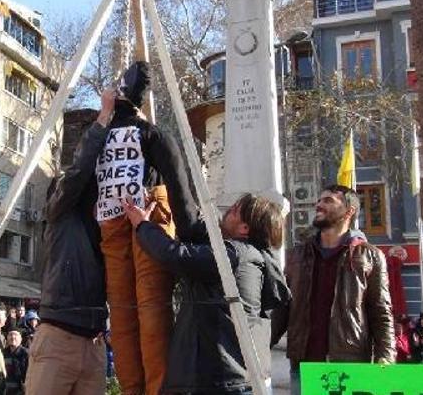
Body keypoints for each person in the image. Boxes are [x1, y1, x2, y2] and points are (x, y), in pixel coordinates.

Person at [96, 61, 203, 395]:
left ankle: (133, 390)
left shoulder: (98, 135)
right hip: (149, 219)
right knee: (153, 311)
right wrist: (194, 242)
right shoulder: (152, 134)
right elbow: (180, 188)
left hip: (111, 224)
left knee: (123, 316)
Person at [124, 193, 290, 394]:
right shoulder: (258, 261)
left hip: (220, 381)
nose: (226, 212)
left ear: (245, 228)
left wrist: (143, 225)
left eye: (234, 210)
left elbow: (176, 256)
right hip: (240, 377)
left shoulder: (234, 255)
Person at [271, 185, 395, 394]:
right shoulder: (298, 255)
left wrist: (386, 358)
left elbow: (381, 311)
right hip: (304, 367)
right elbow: (282, 308)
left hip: (350, 366)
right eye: (319, 200)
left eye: (328, 201)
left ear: (349, 211)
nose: (319, 205)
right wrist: (258, 346)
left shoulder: (370, 256)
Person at [24, 106, 111, 395]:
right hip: (58, 337)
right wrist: (101, 123)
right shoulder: (61, 208)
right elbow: (76, 175)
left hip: (95, 343)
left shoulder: (107, 223)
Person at [3, 330, 28, 395]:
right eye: (10, 334)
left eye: (15, 335)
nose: (13, 337)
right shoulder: (2, 353)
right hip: (5, 390)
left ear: (21, 339)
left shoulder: (26, 354)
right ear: (7, 338)